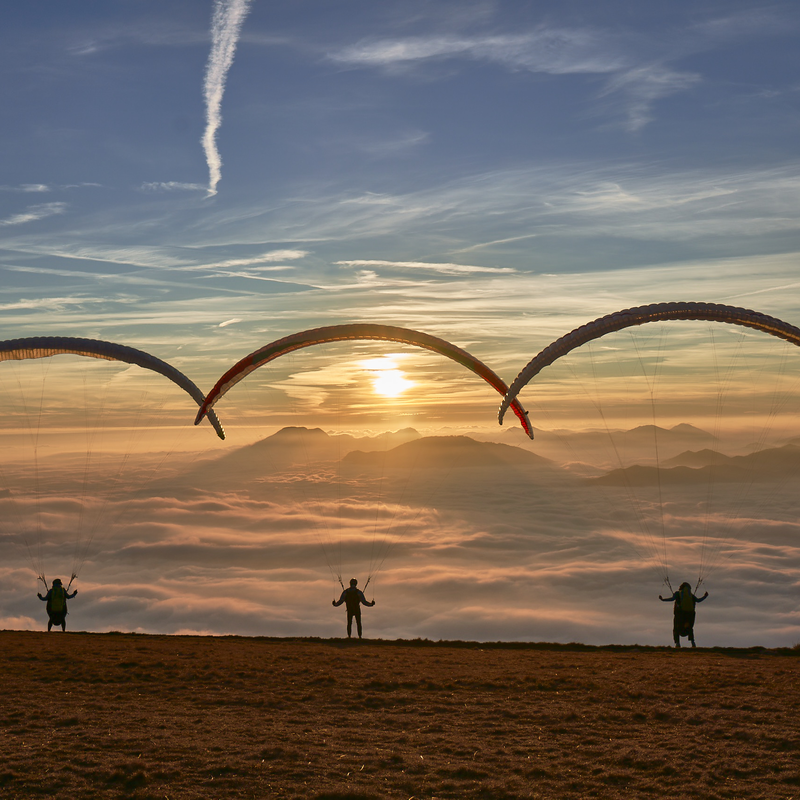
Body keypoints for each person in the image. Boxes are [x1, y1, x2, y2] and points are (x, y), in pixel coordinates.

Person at [659, 582, 708, 647]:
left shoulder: (677, 593)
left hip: (680, 615)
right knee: (690, 628)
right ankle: (693, 643)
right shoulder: (691, 595)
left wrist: (663, 599)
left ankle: (677, 643)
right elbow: (698, 600)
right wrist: (705, 596)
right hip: (690, 615)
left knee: (676, 628)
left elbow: (672, 599)